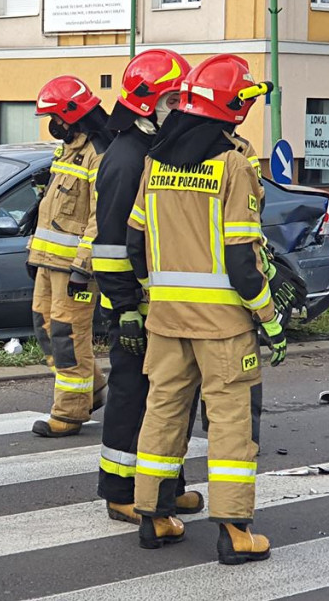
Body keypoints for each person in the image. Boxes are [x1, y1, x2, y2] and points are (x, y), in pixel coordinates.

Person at [126, 54, 287, 565]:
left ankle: (154, 517)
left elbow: (135, 245)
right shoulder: (233, 166)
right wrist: (270, 319)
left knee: (162, 413)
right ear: (232, 110)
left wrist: (158, 293)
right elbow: (243, 261)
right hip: (223, 328)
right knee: (230, 423)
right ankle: (235, 531)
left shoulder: (155, 162)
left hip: (166, 321)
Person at [93, 49, 205, 525]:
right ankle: (121, 490)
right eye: (172, 98)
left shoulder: (153, 150)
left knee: (168, 398)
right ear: (145, 102)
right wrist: (126, 311)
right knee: (132, 395)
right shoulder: (126, 159)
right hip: (133, 308)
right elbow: (112, 246)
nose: (179, 106)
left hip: (159, 305)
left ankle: (164, 485)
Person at [29, 76, 112, 438]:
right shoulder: (69, 149)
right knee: (45, 329)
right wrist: (35, 253)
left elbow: (100, 216)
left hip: (74, 269)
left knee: (67, 335)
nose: (53, 124)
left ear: (72, 114)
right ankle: (91, 389)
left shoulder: (98, 153)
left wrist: (84, 265)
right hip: (49, 262)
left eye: (55, 117)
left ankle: (69, 412)